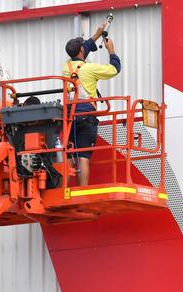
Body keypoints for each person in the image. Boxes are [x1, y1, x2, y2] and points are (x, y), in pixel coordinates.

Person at [63, 23, 122, 186]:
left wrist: (96, 35)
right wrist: (111, 50)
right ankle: (82, 190)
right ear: (82, 50)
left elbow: (83, 51)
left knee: (68, 155)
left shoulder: (66, 67)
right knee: (83, 157)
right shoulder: (89, 68)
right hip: (86, 116)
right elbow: (114, 69)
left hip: (69, 117)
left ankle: (63, 191)